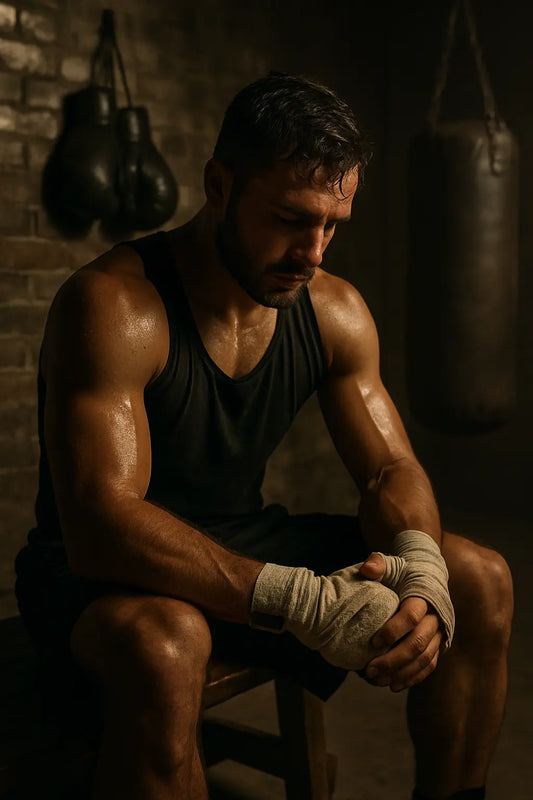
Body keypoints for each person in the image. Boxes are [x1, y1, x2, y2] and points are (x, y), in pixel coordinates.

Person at [14, 72, 513, 800]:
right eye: (289, 217)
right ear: (219, 185)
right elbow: (101, 525)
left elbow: (387, 471)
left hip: (240, 540)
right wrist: (299, 601)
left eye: (331, 224)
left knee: (478, 577)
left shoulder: (332, 310)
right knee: (167, 645)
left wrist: (418, 567)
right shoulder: (118, 306)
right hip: (95, 572)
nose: (312, 252)